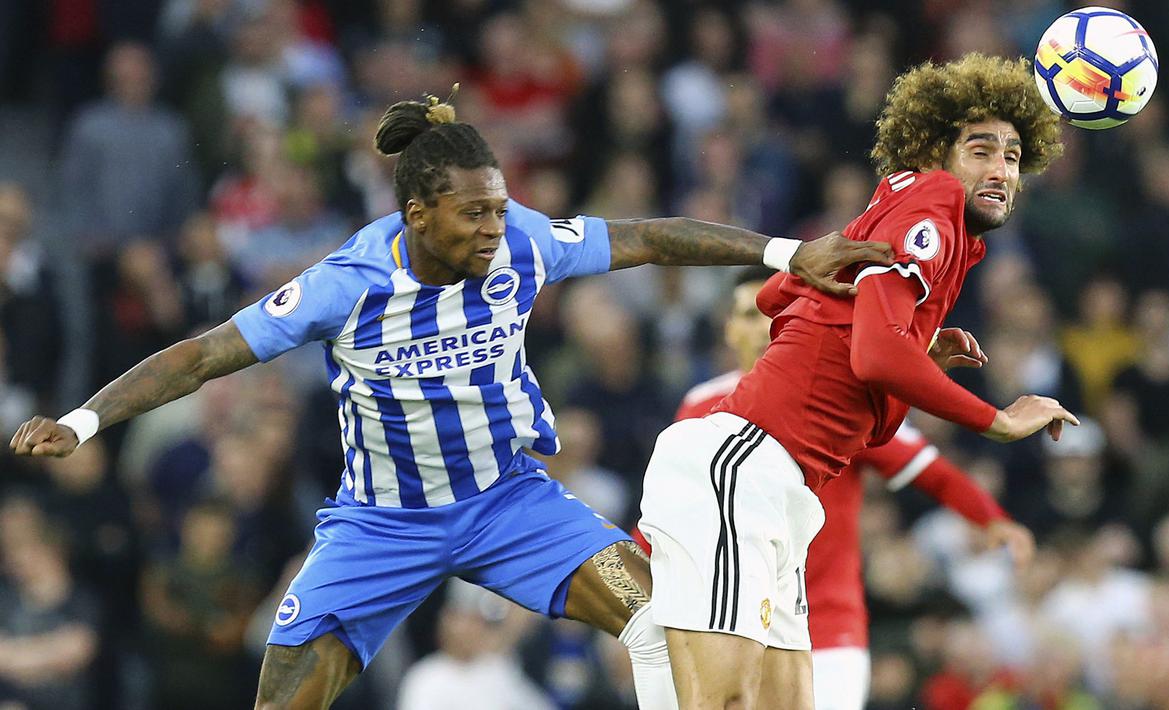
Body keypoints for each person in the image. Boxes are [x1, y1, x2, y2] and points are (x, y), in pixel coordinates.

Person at [10, 90, 892, 709]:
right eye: (474, 215)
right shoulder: (346, 283)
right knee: (282, 700)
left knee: (664, 617)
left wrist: (783, 253)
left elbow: (651, 237)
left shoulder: (523, 244)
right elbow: (202, 357)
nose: (495, 229)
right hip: (380, 524)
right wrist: (84, 420)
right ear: (417, 213)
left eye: (501, 210)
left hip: (509, 501)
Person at [636, 53, 1076, 710]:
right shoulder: (933, 202)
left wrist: (912, 343)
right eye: (980, 150)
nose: (1000, 171)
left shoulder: (896, 207)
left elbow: (777, 298)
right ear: (936, 151)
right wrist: (996, 419)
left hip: (782, 492)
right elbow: (872, 356)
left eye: (1012, 157)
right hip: (746, 466)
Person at [632, 266, 1036, 710]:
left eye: (777, 311)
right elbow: (672, 504)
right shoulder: (701, 407)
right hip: (730, 615)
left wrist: (992, 520)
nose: (765, 325)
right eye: (750, 314)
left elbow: (931, 470)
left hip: (826, 618)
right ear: (728, 330)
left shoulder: (834, 390)